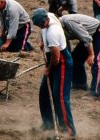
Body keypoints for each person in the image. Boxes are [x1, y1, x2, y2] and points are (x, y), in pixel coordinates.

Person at [31, 8, 76, 138]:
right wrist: (42, 41)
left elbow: (56, 58)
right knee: (44, 93)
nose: (40, 27)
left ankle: (68, 131)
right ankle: (48, 124)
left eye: (41, 25)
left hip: (61, 62)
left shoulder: (53, 32)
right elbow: (42, 30)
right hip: (52, 58)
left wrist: (48, 69)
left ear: (46, 20)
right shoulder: (48, 15)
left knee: (60, 97)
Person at [59, 14, 100, 97]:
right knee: (75, 58)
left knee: (97, 61)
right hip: (87, 35)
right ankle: (80, 84)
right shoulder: (56, 28)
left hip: (98, 31)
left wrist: (91, 54)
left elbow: (86, 38)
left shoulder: (69, 22)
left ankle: (96, 91)